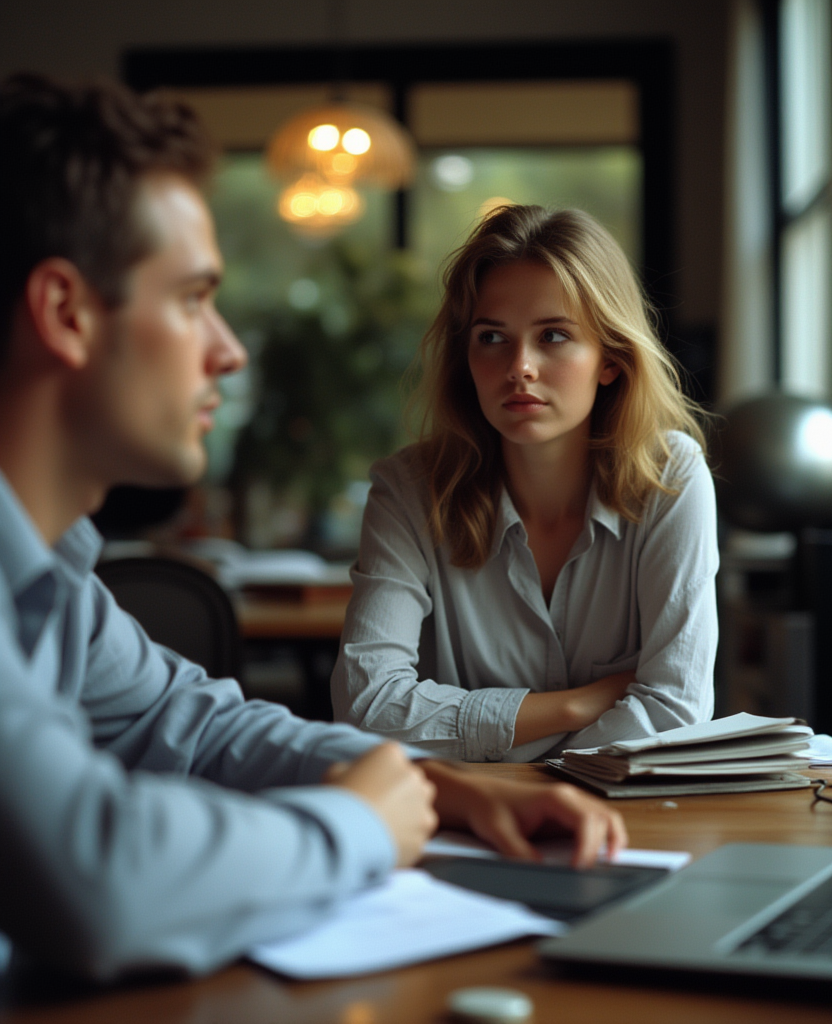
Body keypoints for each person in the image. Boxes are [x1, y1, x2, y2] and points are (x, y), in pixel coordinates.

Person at [0, 74, 626, 981]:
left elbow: (193, 726)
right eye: (191, 299)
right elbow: (98, 882)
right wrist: (359, 824)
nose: (230, 348)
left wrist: (433, 786)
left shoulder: (52, 582)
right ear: (65, 313)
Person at [332, 205, 719, 762]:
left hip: (626, 823)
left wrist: (500, 754)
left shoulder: (669, 478)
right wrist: (576, 705)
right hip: (466, 826)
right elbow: (365, 708)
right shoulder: (409, 490)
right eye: (492, 337)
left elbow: (674, 710)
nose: (520, 367)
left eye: (554, 336)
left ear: (610, 359)